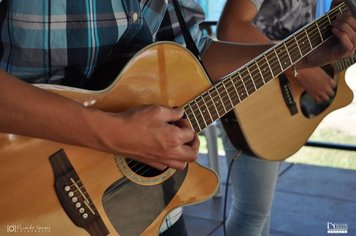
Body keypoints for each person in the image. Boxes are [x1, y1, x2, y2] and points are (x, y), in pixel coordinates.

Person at [0, 0, 354, 235]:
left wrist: (302, 55)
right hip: (29, 196)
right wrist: (115, 133)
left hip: (154, 205)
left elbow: (195, 54)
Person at [216, 0, 346, 235]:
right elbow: (230, 28)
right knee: (252, 213)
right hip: (251, 96)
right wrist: (302, 69)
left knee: (259, 212)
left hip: (282, 102)